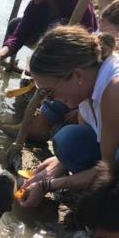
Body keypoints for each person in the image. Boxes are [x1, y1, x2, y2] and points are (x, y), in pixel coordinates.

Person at [18, 25, 119, 208]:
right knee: (69, 141)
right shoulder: (89, 82)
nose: (51, 99)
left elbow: (109, 168)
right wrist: (59, 165)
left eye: (50, 92)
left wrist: (48, 185)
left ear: (77, 75)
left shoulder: (114, 89)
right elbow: (95, 138)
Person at [0, 0, 98, 144]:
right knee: (15, 24)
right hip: (50, 44)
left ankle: (41, 123)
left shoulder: (79, 5)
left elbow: (86, 53)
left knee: (61, 89)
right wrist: (0, 55)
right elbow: (20, 34)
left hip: (73, 57)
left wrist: (81, 107)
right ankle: (45, 78)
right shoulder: (36, 3)